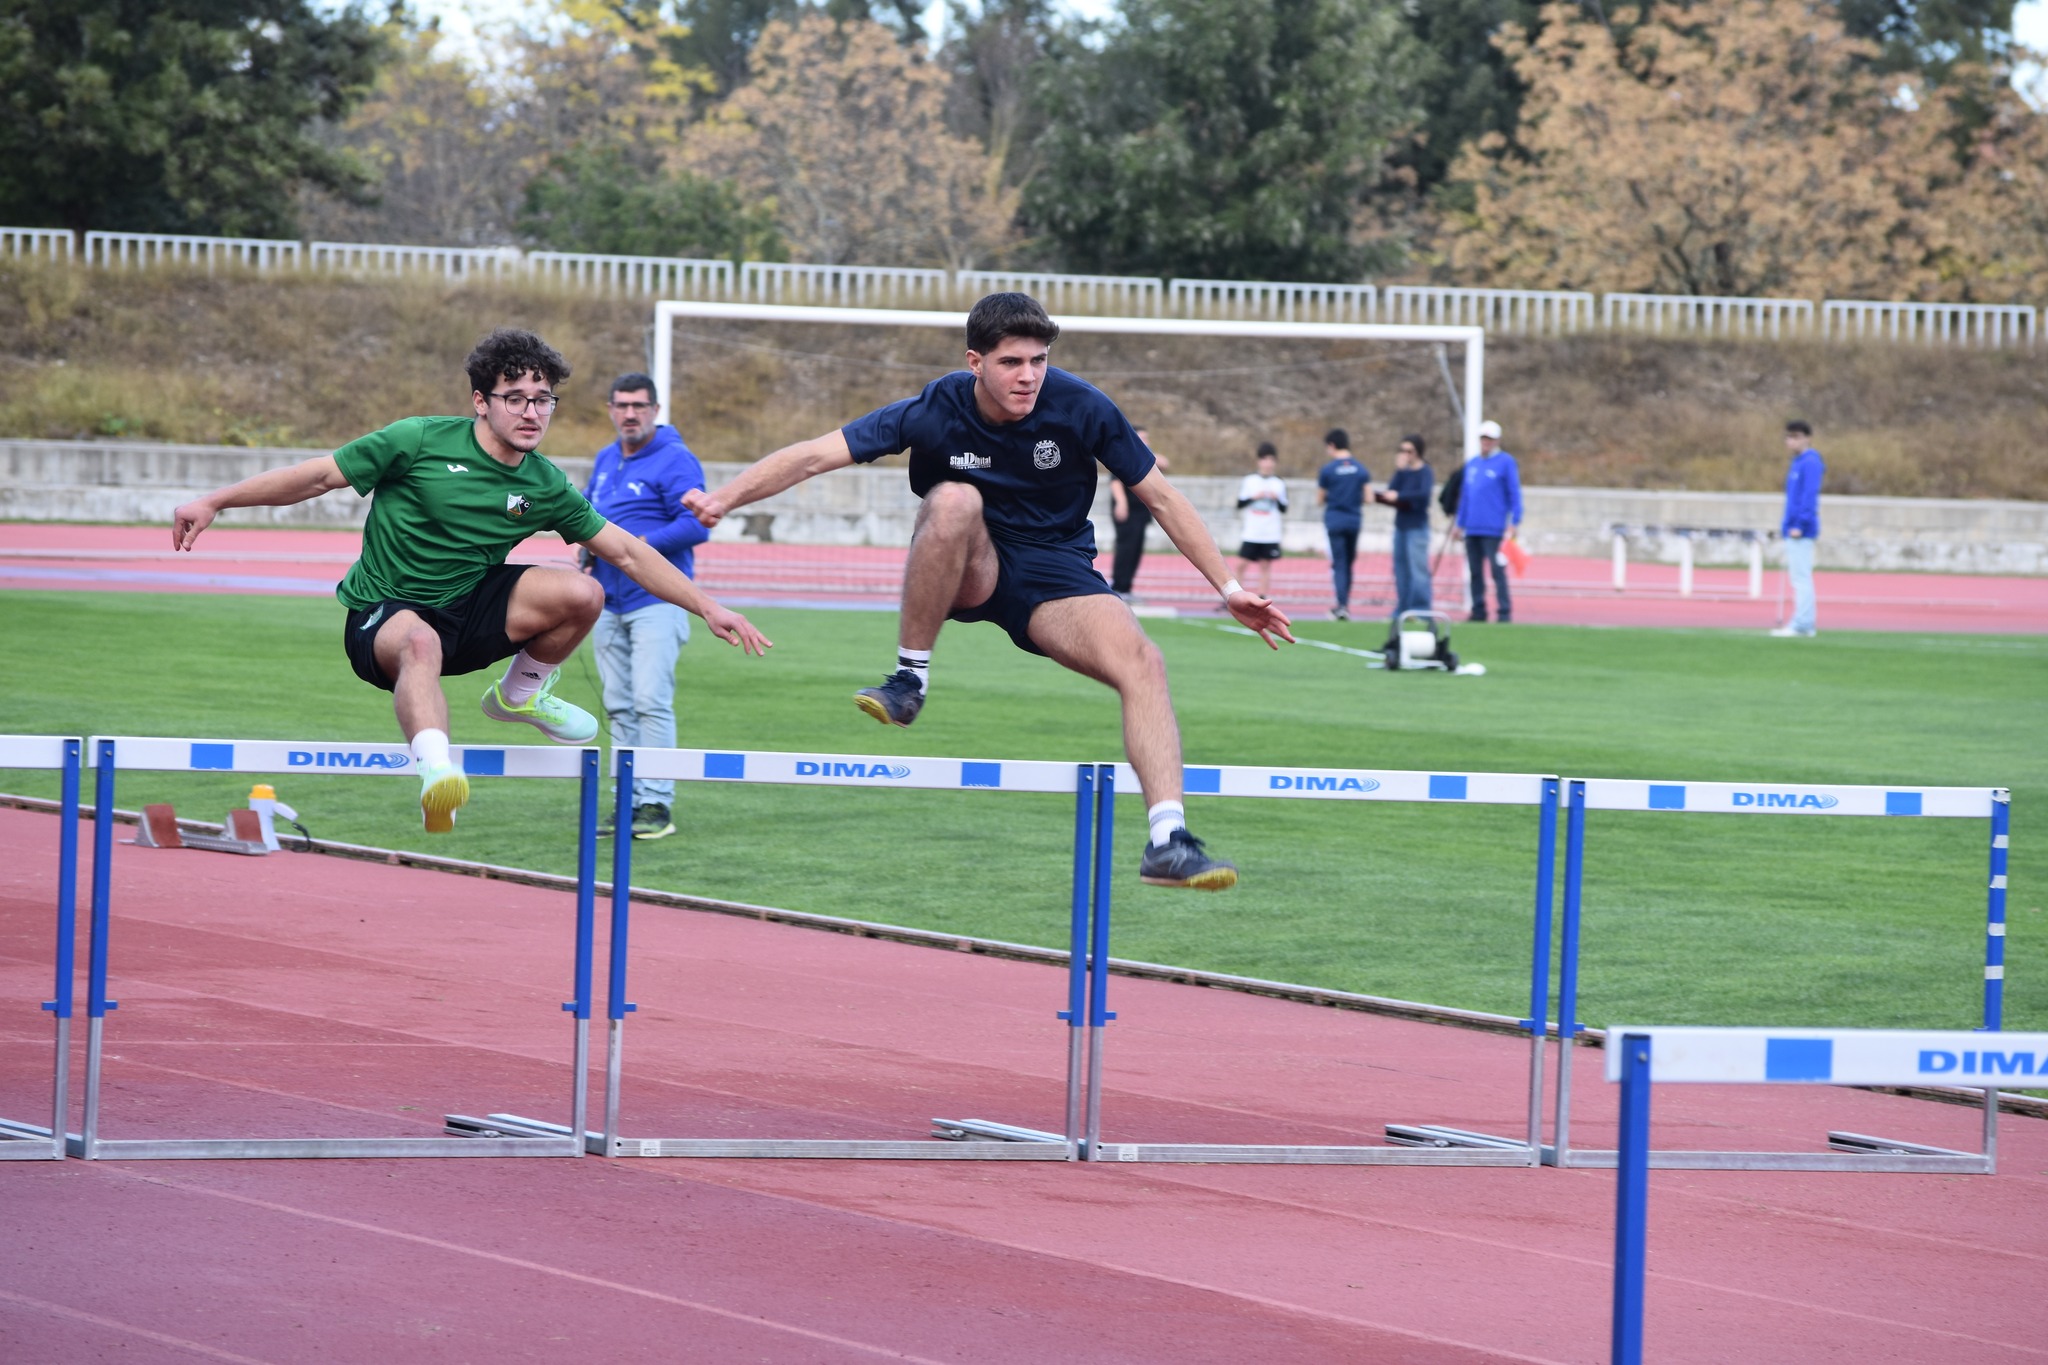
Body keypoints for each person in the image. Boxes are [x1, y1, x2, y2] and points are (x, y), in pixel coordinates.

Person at [682, 293, 1294, 891]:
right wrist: (724, 498)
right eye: (1011, 363)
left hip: (1057, 575)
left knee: (1145, 661)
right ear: (975, 362)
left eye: (1038, 361)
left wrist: (1230, 587)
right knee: (953, 497)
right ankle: (909, 679)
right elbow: (816, 456)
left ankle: (1168, 841)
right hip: (972, 562)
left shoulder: (1083, 408)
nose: (1028, 377)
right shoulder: (936, 407)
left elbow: (1160, 496)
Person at [170, 328, 771, 834]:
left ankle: (521, 694)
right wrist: (217, 499)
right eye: (516, 398)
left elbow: (629, 554)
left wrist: (707, 606)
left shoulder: (543, 483)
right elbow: (317, 477)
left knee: (584, 590)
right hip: (385, 613)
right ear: (481, 401)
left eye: (544, 399)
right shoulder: (420, 440)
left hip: (471, 613)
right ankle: (437, 772)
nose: (532, 412)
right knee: (418, 642)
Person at [582, 372, 709, 841]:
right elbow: (589, 516)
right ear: (611, 410)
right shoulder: (605, 458)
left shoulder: (675, 459)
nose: (629, 414)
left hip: (658, 599)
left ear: (655, 410)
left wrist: (639, 546)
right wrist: (587, 549)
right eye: (621, 405)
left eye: (639, 405)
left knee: (650, 702)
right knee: (617, 705)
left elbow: (697, 525)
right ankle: (628, 800)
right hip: (607, 602)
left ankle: (656, 802)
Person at [1454, 419, 1522, 624]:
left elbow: (1514, 493)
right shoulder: (1473, 464)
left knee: (1497, 571)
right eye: (1483, 438)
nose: (1486, 442)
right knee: (1475, 572)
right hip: (1473, 527)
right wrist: (1460, 522)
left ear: (1497, 440)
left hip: (1494, 528)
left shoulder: (1505, 462)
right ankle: (1478, 610)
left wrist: (1515, 521)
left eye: (1490, 439)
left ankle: (1504, 611)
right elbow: (1466, 496)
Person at [1771, 420, 1825, 638]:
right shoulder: (1797, 462)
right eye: (1789, 437)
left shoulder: (1811, 462)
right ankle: (1805, 622)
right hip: (1791, 526)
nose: (1791, 441)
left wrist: (1799, 525)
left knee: (1801, 578)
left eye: (1796, 436)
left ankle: (1802, 623)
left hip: (1801, 529)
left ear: (1807, 438)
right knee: (1798, 577)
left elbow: (1808, 497)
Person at [1373, 434, 1434, 622]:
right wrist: (1399, 472)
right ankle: (1403, 608)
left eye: (1409, 451)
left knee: (1418, 570)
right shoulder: (1403, 473)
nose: (1405, 454)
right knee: (1401, 570)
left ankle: (1421, 610)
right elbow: (1391, 492)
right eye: (1402, 450)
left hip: (1417, 527)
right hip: (1401, 526)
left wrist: (1400, 496)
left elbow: (1422, 495)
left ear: (1418, 452)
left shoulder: (1425, 472)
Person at [1107, 425, 1169, 598]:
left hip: (1142, 511)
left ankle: (1127, 587)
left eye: (1146, 438)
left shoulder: (1144, 457)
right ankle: (1119, 586)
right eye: (1142, 438)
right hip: (1128, 510)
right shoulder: (1124, 455)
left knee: (1135, 549)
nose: (1146, 442)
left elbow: (1164, 463)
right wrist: (1121, 503)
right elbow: (1115, 481)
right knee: (1126, 548)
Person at [1314, 429, 1369, 620]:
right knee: (1348, 563)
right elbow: (1369, 497)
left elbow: (1319, 499)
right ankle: (1346, 603)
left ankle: (1341, 605)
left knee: (1339, 564)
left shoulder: (1328, 470)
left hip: (1335, 520)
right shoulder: (1360, 469)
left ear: (1331, 445)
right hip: (1354, 520)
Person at [1234, 442, 1287, 601]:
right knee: (1241, 564)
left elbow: (1284, 508)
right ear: (1259, 461)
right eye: (1265, 459)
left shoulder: (1278, 483)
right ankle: (1236, 596)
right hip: (1252, 532)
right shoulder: (1250, 480)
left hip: (1269, 532)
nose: (1268, 463)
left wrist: (1276, 498)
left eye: (1271, 460)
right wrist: (1253, 497)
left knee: (1265, 565)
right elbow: (1240, 503)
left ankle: (1262, 598)